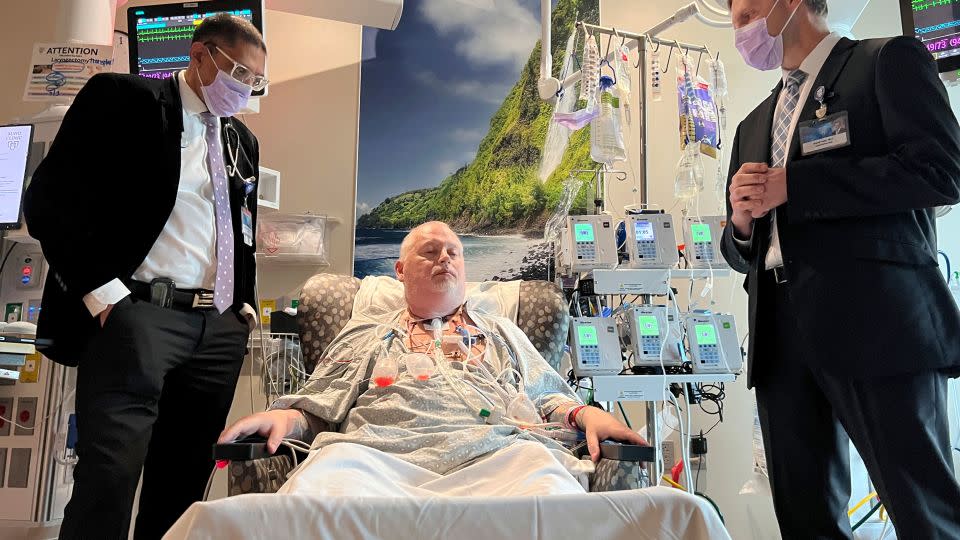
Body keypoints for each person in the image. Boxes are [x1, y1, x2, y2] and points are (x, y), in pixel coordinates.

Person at [24, 14, 267, 540]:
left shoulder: (242, 142)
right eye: (238, 73)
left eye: (255, 81)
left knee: (182, 487)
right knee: (107, 481)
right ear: (200, 55)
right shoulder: (123, 100)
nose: (244, 88)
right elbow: (50, 201)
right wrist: (106, 296)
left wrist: (242, 304)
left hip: (217, 330)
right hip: (138, 318)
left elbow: (240, 226)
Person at [723, 0, 960, 538]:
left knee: (926, 512)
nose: (741, 26)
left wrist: (797, 187)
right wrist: (739, 222)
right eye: (735, 17)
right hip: (781, 337)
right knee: (806, 519)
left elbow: (942, 172)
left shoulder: (886, 62)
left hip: (878, 322)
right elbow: (741, 252)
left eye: (750, 11)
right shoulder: (753, 124)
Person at [219, 221, 646, 495]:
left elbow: (549, 400)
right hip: (371, 461)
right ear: (400, 270)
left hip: (501, 457)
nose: (444, 257)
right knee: (318, 494)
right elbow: (319, 410)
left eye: (454, 252)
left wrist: (589, 415)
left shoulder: (502, 333)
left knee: (550, 493)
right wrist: (284, 418)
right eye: (429, 252)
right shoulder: (366, 332)